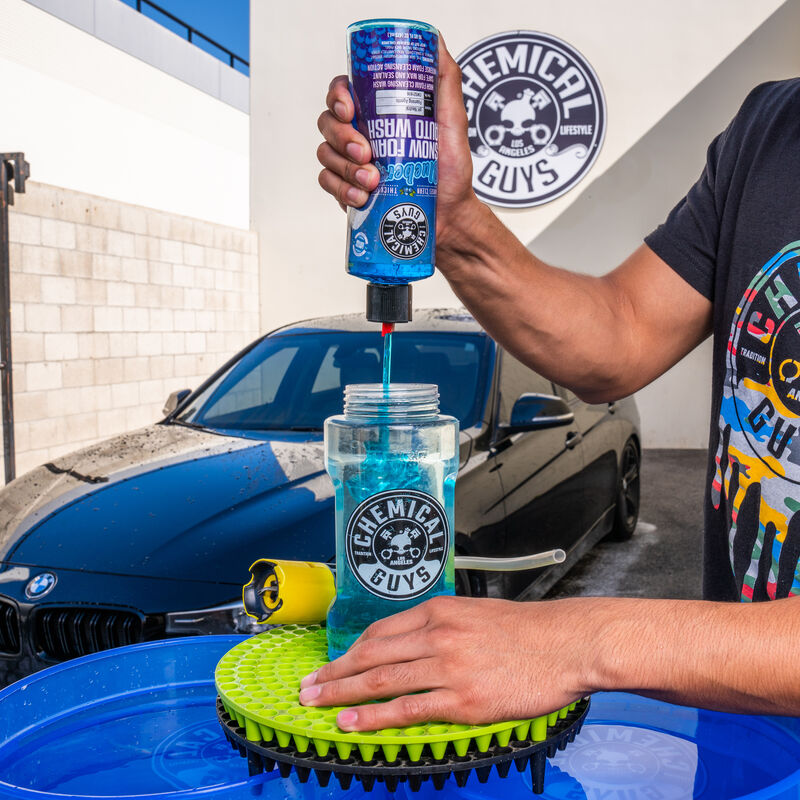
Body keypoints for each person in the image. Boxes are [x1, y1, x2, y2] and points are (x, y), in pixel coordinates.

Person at [299, 38, 800, 731]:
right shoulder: (771, 129)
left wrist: (573, 642)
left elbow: (570, 645)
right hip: (747, 749)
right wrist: (451, 221)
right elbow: (621, 331)